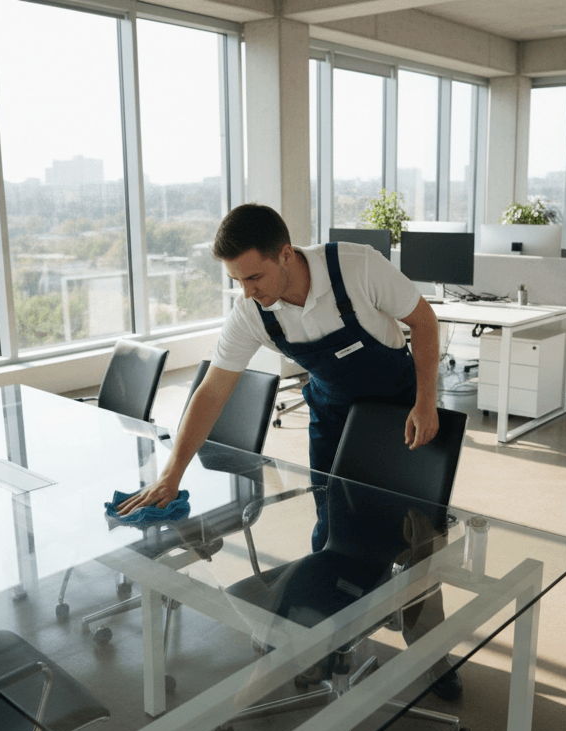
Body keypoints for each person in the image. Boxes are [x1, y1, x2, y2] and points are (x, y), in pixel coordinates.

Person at [117, 203, 462, 700]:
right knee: (333, 531)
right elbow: (212, 391)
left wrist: (426, 401)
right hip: (333, 417)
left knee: (420, 538)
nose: (247, 291)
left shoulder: (356, 267)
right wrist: (173, 472)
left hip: (399, 411)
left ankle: (432, 652)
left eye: (254, 276)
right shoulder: (253, 312)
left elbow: (424, 322)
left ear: (285, 255)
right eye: (237, 280)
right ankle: (320, 642)